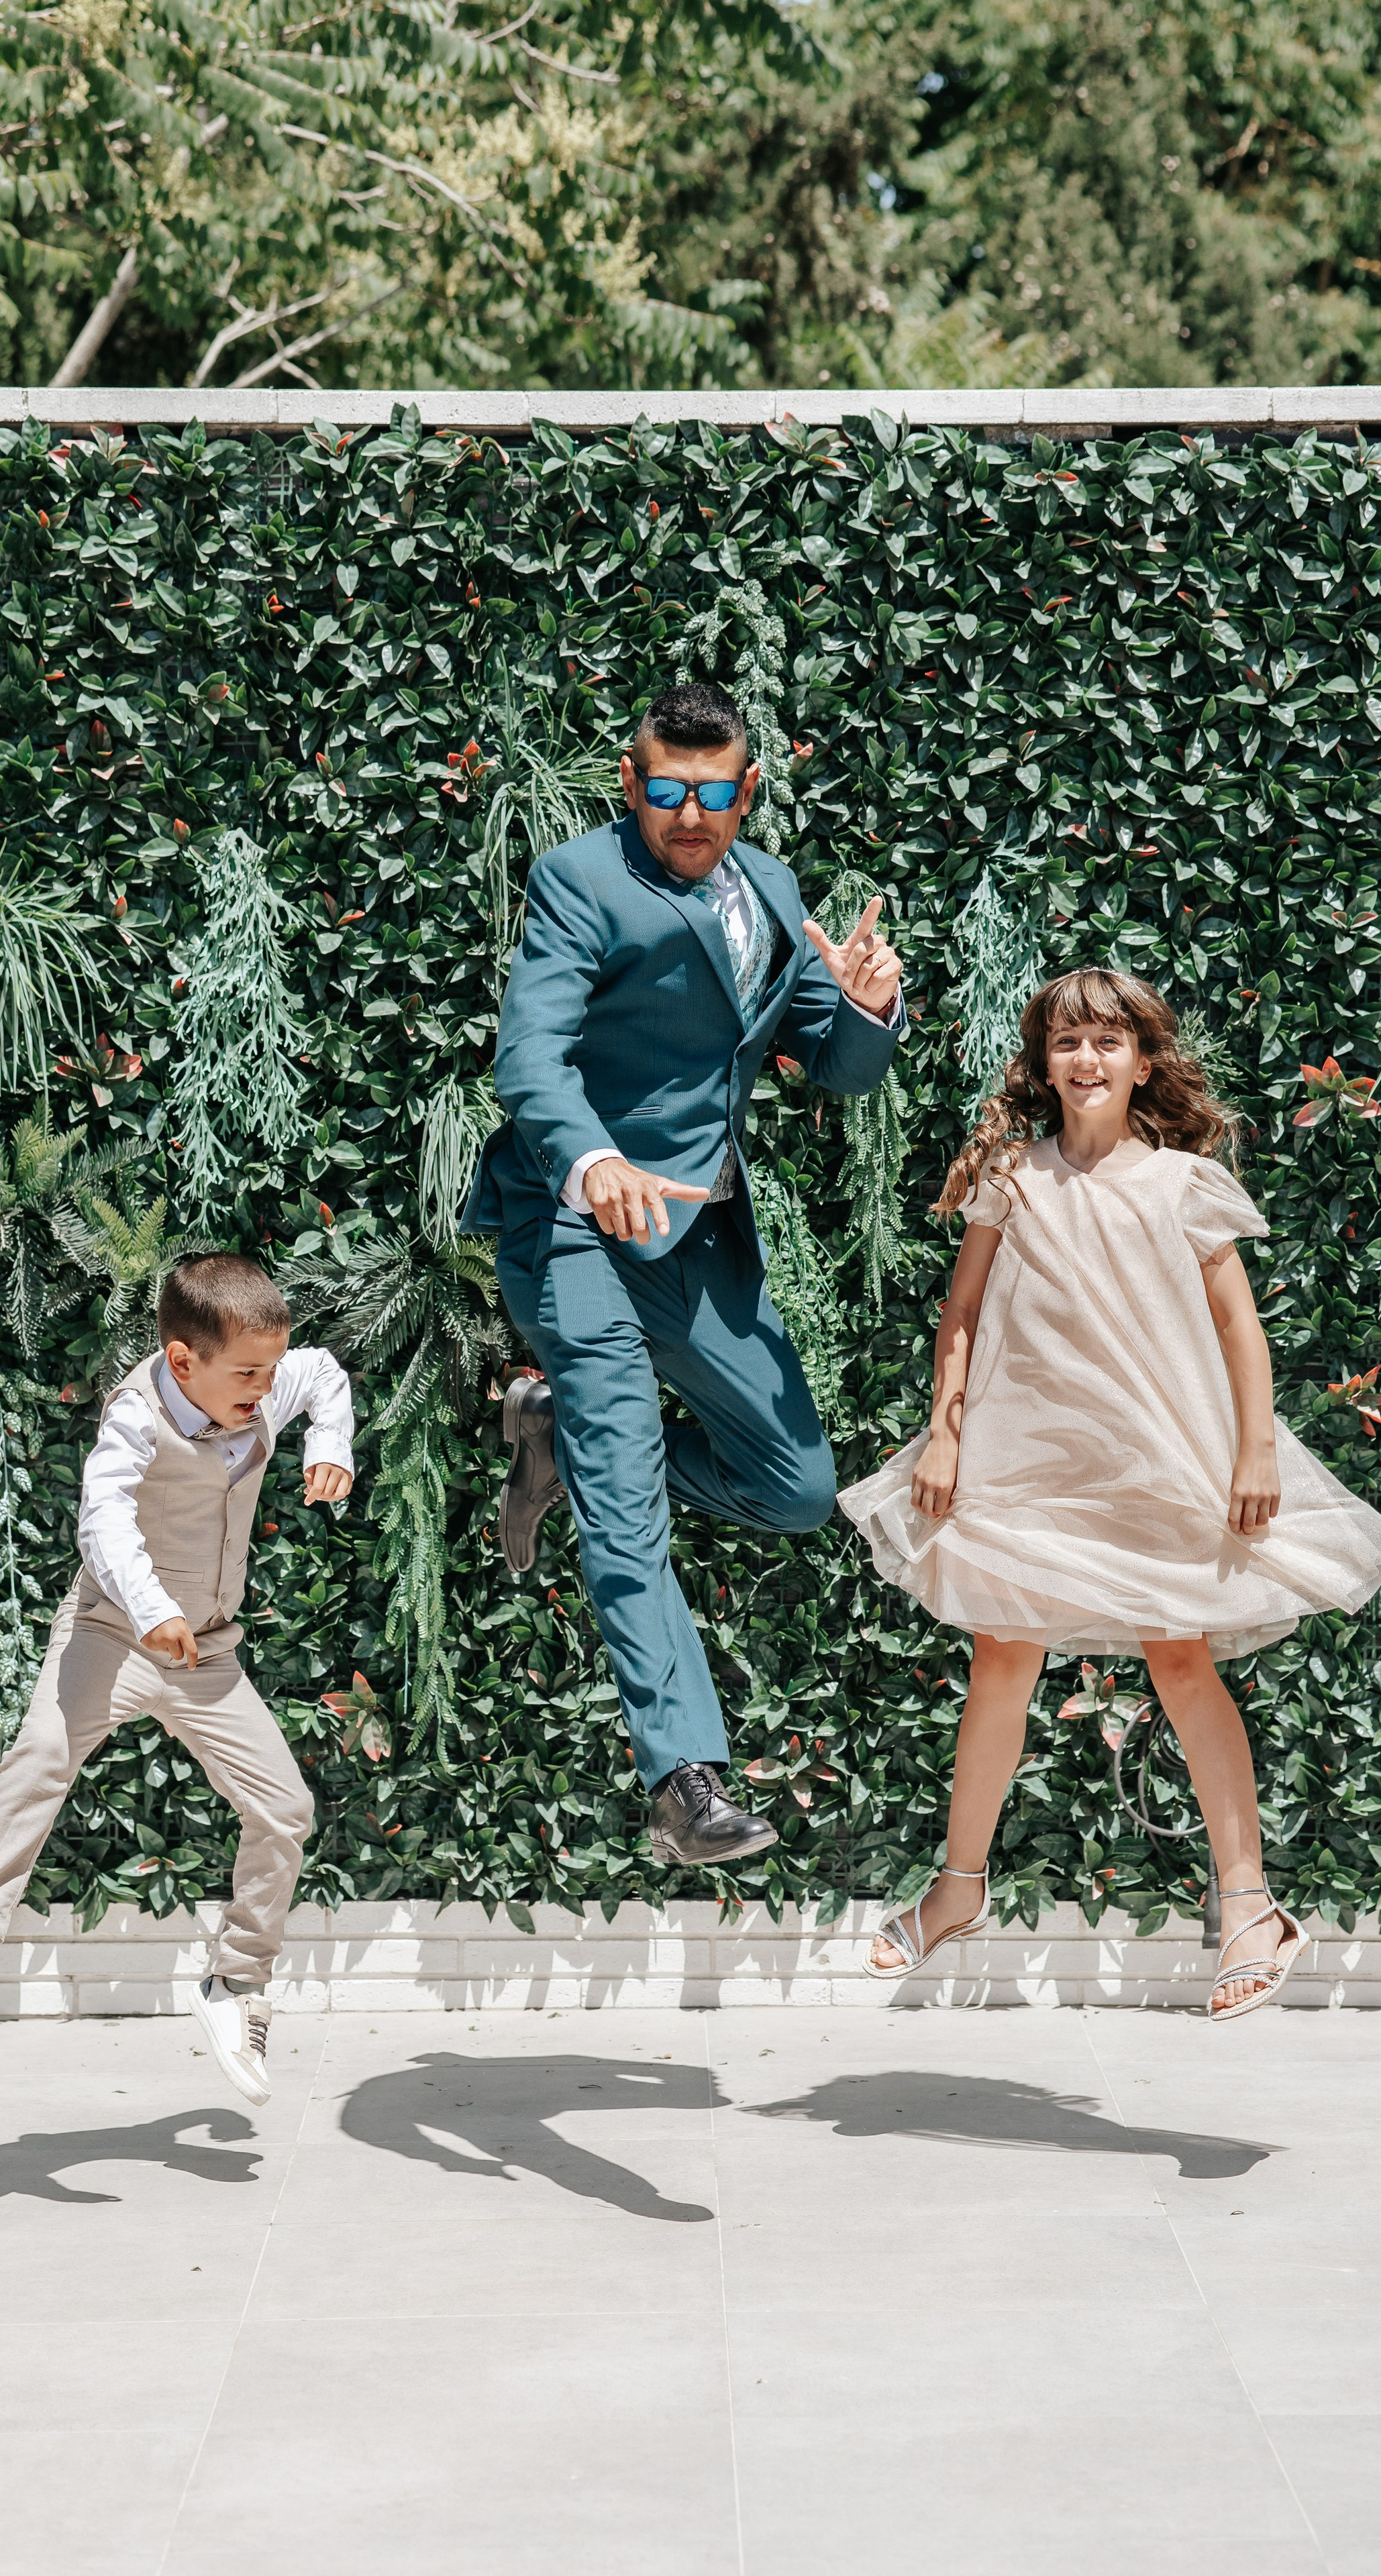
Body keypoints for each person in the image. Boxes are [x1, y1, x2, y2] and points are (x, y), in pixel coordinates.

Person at [839, 967, 1381, 2020]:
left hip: (1155, 1456)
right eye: (1067, 1043)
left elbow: (1240, 1324)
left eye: (1109, 1042)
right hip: (1027, 1459)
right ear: (1042, 1063)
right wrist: (945, 1440)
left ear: (1145, 1062)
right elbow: (959, 1315)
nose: (1087, 1060)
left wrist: (1256, 1453)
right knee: (1002, 1653)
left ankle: (1250, 1906)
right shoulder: (1011, 1175)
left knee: (1181, 1657)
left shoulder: (1183, 1185)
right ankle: (958, 1888)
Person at [462, 680, 904, 1867]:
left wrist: (870, 1010)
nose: (690, 813)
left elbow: (836, 1067)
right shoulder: (581, 881)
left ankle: (550, 1428)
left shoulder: (771, 888)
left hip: (695, 1242)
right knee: (627, 1492)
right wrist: (592, 1157)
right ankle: (685, 1778)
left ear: (748, 790)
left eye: (714, 793)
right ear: (631, 782)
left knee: (799, 1489)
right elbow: (529, 1056)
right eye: (666, 791)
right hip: (573, 1228)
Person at [0, 1255, 354, 2102]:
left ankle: (238, 1984)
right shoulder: (136, 1417)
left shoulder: (263, 1382)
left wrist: (331, 1442)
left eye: (268, 1370)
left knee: (286, 1810)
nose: (265, 1386)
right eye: (248, 1373)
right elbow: (101, 1518)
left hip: (207, 1654)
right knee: (41, 1757)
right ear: (185, 1362)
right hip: (114, 1632)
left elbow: (321, 1373)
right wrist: (149, 1608)